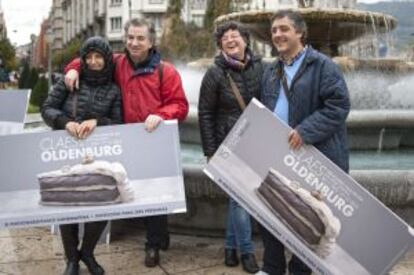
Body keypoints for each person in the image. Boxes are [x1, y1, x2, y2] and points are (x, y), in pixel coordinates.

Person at [64, 18, 189, 268]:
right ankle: (159, 235)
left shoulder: (166, 71)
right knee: (131, 190)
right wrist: (73, 67)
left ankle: (153, 245)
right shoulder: (118, 63)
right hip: (123, 140)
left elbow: (181, 105)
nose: (134, 42)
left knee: (153, 195)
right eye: (130, 37)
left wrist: (161, 114)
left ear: (151, 42)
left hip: (152, 140)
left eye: (140, 38)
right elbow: (91, 60)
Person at [259, 10, 350, 275]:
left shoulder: (323, 65)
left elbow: (339, 106)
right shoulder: (272, 69)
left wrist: (306, 130)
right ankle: (272, 267)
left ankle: (300, 270)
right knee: (269, 207)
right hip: (278, 153)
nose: (278, 34)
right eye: (274, 30)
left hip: (311, 155)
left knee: (307, 215)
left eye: (284, 29)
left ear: (300, 32)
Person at [41, 36, 123, 275]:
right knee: (69, 205)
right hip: (66, 151)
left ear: (106, 59)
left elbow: (118, 123)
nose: (94, 61)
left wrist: (97, 121)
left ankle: (87, 252)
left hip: (97, 156)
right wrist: (64, 122)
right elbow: (47, 108)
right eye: (89, 57)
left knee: (102, 205)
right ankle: (71, 259)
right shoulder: (68, 82)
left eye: (98, 57)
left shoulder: (113, 90)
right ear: (83, 60)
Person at [198, 21, 262, 274]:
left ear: (246, 40)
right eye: (225, 38)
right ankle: (246, 251)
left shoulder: (260, 68)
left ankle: (229, 246)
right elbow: (204, 114)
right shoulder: (214, 73)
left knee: (238, 199)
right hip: (228, 143)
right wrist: (210, 151)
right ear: (220, 44)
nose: (231, 40)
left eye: (236, 36)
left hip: (255, 141)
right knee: (241, 199)